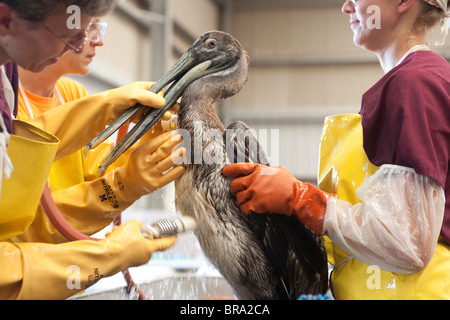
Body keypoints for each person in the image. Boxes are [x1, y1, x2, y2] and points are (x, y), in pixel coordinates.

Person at [224, 0, 450, 299]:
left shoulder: (414, 84)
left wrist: (299, 197)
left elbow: (409, 242)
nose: (346, 7)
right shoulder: (418, 81)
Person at [0, 0, 184, 300]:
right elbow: (19, 233)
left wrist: (110, 114)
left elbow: (19, 154)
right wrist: (107, 254)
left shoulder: (8, 78)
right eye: (72, 33)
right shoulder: (13, 87)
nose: (86, 42)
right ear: (6, 19)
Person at [14, 17, 181, 244]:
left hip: (67, 258)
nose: (99, 41)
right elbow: (24, 226)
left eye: (99, 27)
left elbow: (98, 168)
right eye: (89, 25)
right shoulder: (9, 102)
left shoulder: (71, 93)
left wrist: (144, 142)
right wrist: (124, 186)